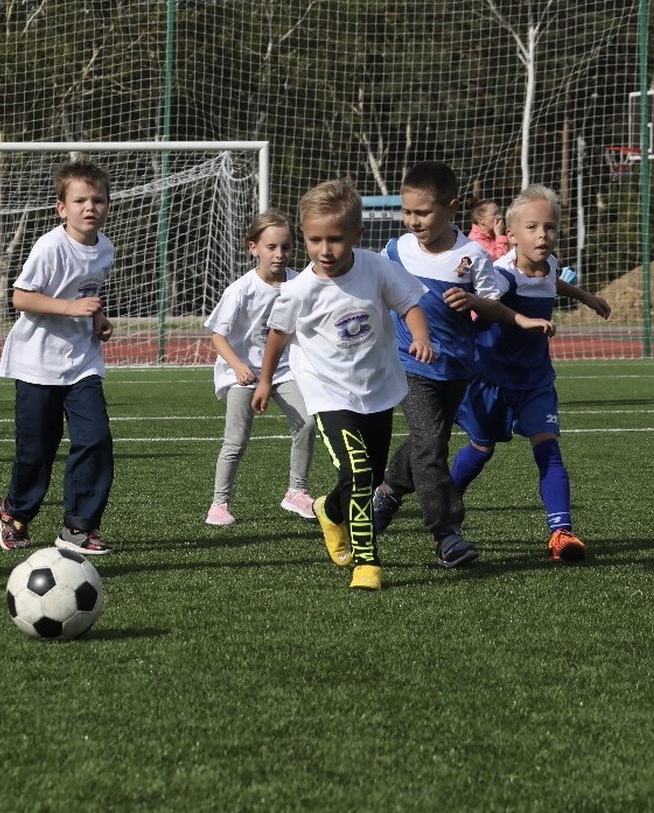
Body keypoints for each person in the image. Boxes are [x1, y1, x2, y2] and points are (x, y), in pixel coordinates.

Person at [251, 180, 434, 591]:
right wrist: (264, 380)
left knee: (363, 478)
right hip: (326, 390)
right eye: (315, 240)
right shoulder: (298, 290)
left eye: (335, 239)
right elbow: (278, 334)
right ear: (304, 237)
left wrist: (420, 336)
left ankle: (329, 512)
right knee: (359, 469)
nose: (325, 250)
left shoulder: (376, 267)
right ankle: (366, 561)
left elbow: (410, 303)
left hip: (379, 388)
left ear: (357, 235)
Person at [372, 161, 555, 568]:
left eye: (423, 212)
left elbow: (494, 306)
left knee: (427, 440)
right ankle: (446, 533)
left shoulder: (471, 256)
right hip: (411, 364)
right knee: (431, 445)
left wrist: (474, 302)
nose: (413, 221)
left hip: (457, 370)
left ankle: (386, 492)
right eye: (407, 212)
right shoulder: (394, 250)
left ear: (451, 207)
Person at [449, 185, 611, 562]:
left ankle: (561, 532)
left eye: (550, 228)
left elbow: (551, 281)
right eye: (533, 227)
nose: (543, 235)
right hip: (492, 378)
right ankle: (444, 506)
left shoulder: (549, 263)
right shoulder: (503, 274)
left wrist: (586, 296)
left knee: (549, 448)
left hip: (535, 378)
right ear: (511, 233)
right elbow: (485, 300)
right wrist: (469, 300)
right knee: (481, 449)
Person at [0, 160, 116, 556]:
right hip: (37, 363)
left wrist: (98, 318)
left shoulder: (105, 249)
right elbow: (21, 297)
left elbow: (89, 293)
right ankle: (15, 513)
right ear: (61, 207)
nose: (90, 207)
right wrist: (72, 308)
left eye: (98, 200)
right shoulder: (50, 247)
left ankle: (78, 527)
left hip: (81, 362)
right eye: (80, 200)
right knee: (36, 452)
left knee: (95, 439)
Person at [204, 211, 316, 526]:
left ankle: (297, 491)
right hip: (243, 373)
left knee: (307, 423)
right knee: (236, 440)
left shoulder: (301, 281)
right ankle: (219, 504)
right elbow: (218, 335)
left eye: (286, 247)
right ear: (253, 248)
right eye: (271, 247)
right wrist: (238, 366)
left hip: (283, 372)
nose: (279, 254)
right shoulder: (241, 289)